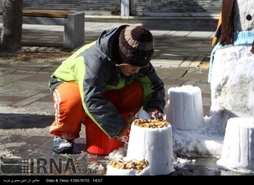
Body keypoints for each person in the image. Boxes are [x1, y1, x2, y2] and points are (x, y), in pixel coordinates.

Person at [48, 25, 166, 154]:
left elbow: (154, 85)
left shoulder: (137, 56)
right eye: (133, 66)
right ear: (121, 58)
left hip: (103, 88)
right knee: (73, 101)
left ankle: (112, 121)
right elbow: (92, 98)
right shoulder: (94, 60)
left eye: (140, 67)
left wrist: (154, 108)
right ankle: (65, 134)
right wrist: (121, 129)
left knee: (138, 89)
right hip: (71, 83)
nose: (136, 71)